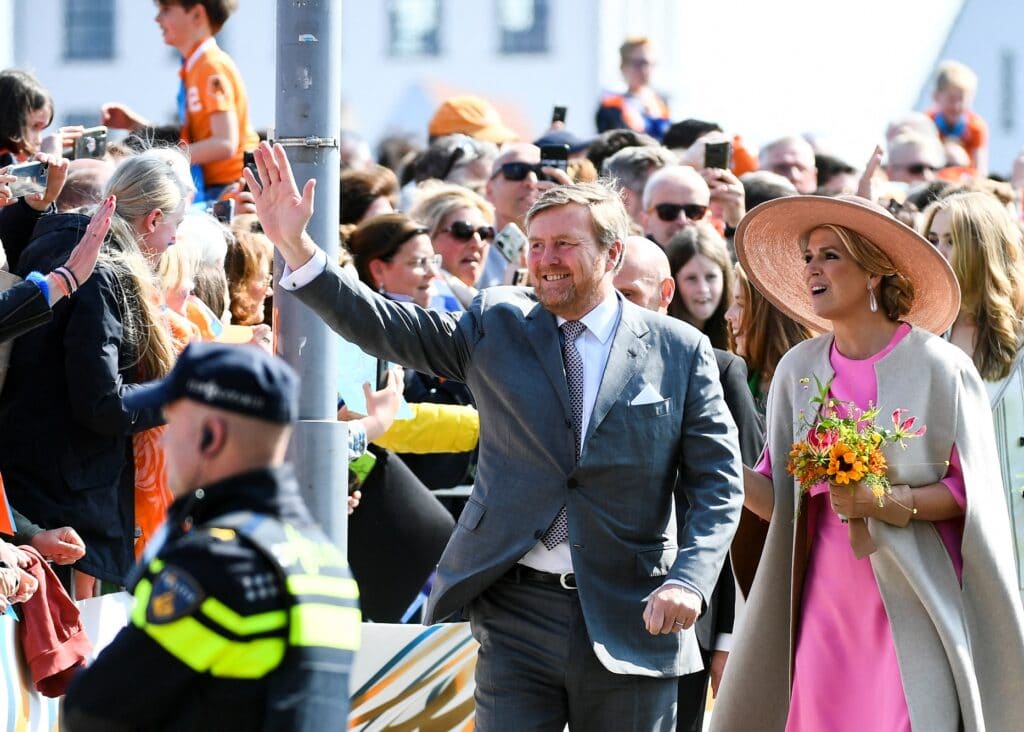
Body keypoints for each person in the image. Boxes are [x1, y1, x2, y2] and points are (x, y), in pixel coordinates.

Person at [247, 141, 743, 730]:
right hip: (515, 608)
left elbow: (718, 482)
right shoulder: (497, 321)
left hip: (633, 611)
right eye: (535, 246)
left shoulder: (679, 351)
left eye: (564, 245)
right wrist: (297, 248)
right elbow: (386, 326)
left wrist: (689, 579)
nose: (545, 260)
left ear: (612, 255)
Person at [712, 195, 1024, 731]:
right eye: (808, 255)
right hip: (825, 600)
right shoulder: (798, 369)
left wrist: (887, 501)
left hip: (915, 595)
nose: (812, 267)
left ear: (874, 272)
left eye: (830, 255)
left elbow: (974, 495)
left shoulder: (941, 368)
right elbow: (776, 499)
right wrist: (709, 461)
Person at [62, 342, 359, 730]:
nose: (165, 442)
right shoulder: (327, 565)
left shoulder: (217, 564)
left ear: (211, 436)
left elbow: (92, 712)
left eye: (173, 425)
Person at [0, 148, 193, 593]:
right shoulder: (100, 272)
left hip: (38, 486)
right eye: (175, 227)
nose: (174, 242)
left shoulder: (58, 238)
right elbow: (101, 404)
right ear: (152, 219)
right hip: (67, 505)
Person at [613, 235, 763, 732]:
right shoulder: (567, 369)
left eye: (630, 294)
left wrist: (726, 634)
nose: (614, 308)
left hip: (684, 621)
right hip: (585, 612)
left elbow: (740, 509)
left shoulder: (719, 371)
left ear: (664, 294)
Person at [921, 191, 1024, 587]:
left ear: (984, 250)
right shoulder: (919, 334)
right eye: (933, 239)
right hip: (945, 538)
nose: (939, 252)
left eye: (952, 241)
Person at [102, 1, 259, 202]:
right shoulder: (195, 66)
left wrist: (162, 157)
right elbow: (198, 138)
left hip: (230, 188)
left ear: (196, 14)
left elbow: (225, 143)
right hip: (217, 187)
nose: (157, 19)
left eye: (166, 10)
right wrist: (136, 126)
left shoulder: (211, 66)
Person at [724, 262, 813, 418]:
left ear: (771, 315)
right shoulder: (740, 377)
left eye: (740, 304)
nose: (729, 315)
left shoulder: (807, 383)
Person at [409, 183, 495, 307]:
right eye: (463, 231)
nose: (476, 243)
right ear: (427, 238)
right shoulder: (426, 301)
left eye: (484, 233)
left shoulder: (480, 303)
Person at [665, 222, 732, 350]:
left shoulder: (741, 337)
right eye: (691, 278)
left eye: (711, 277)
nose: (703, 289)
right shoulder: (662, 340)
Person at [596, 36, 671, 140]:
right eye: (637, 63)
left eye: (648, 63)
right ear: (623, 66)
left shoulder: (661, 102)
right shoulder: (611, 105)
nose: (644, 70)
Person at [927, 60, 988, 177]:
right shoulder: (927, 123)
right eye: (951, 99)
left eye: (961, 99)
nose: (956, 106)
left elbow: (980, 169)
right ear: (936, 97)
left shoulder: (976, 127)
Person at [641, 165, 712, 247]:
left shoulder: (723, 258)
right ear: (646, 221)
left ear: (708, 219)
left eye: (694, 211)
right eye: (668, 211)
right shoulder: (629, 258)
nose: (682, 220)